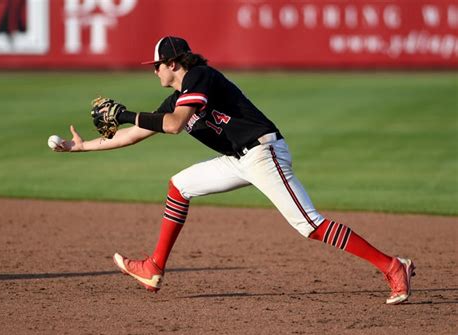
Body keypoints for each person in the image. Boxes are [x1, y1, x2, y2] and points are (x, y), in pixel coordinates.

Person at [55, 36, 415, 304]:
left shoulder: (200, 76)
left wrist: (124, 113)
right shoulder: (178, 95)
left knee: (309, 224)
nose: (154, 71)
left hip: (263, 152)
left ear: (173, 63)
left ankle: (392, 265)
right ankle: (153, 267)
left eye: (156, 66)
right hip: (239, 159)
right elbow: (134, 135)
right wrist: (82, 146)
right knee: (180, 185)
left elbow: (175, 124)